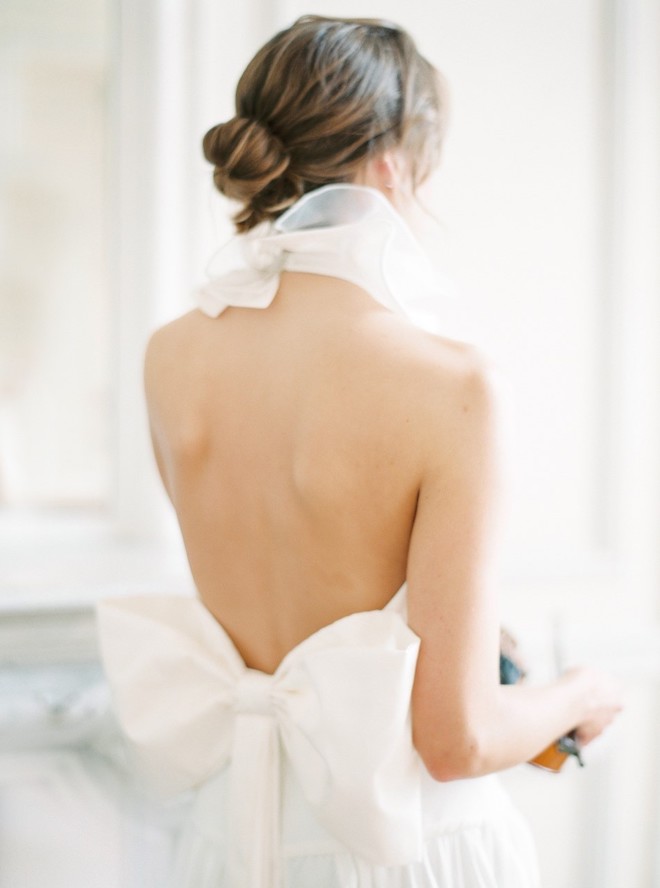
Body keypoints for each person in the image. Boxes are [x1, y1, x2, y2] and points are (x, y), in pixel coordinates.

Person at [96, 15, 624, 887]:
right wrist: (580, 695)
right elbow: (457, 741)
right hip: (403, 850)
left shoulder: (170, 355)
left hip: (227, 840)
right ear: (390, 168)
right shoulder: (452, 384)